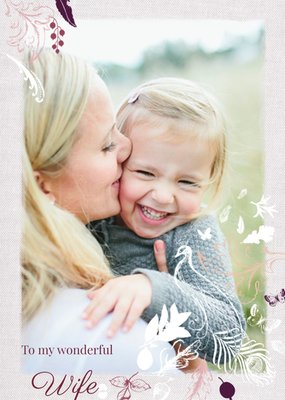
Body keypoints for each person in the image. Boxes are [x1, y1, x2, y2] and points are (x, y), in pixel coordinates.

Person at [22, 50, 176, 374]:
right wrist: (184, 351)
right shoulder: (119, 343)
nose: (127, 148)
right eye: (107, 144)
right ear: (42, 185)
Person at [86, 78, 246, 368]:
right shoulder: (94, 215)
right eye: (146, 173)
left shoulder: (192, 234)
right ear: (119, 159)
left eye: (187, 182)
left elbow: (230, 335)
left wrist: (154, 289)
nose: (162, 196)